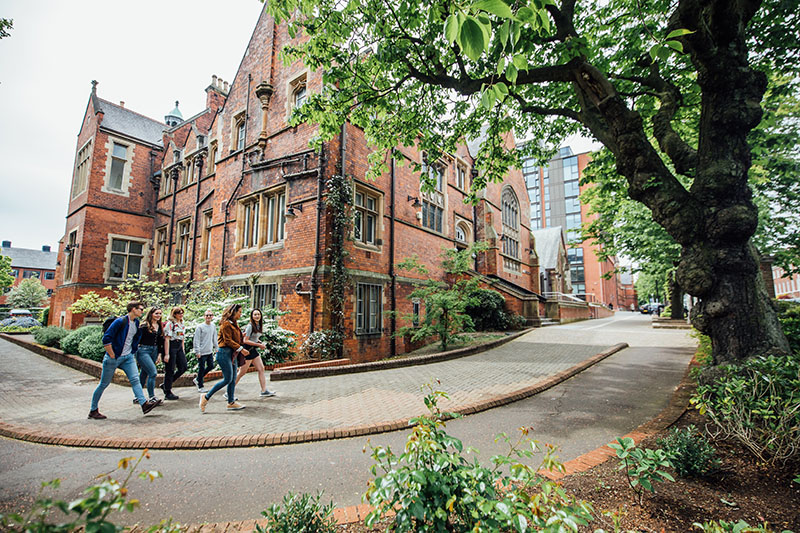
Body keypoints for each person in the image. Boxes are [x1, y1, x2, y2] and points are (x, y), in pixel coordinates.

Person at [89, 301, 160, 419]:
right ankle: (93, 410)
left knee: (135, 380)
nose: (142, 312)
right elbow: (106, 338)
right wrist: (112, 354)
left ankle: (144, 404)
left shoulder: (136, 322)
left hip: (128, 357)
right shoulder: (120, 322)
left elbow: (135, 338)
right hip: (114, 358)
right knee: (103, 384)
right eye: (141, 309)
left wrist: (132, 351)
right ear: (133, 309)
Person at [200, 303, 247, 412]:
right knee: (228, 379)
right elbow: (228, 340)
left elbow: (233, 338)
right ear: (234, 312)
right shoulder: (226, 324)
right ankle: (206, 397)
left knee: (233, 379)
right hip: (224, 353)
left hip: (232, 353)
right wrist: (241, 349)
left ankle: (231, 402)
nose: (241, 314)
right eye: (239, 312)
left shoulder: (233, 324)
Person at [232, 308, 276, 399]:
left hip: (253, 350)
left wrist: (258, 342)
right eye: (255, 314)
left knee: (261, 369)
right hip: (247, 351)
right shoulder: (250, 326)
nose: (257, 316)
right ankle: (229, 392)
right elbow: (245, 340)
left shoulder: (258, 325)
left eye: (258, 314)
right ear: (252, 316)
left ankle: (264, 391)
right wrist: (258, 345)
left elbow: (253, 338)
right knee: (241, 372)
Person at [132, 307, 165, 404]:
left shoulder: (159, 326)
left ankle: (138, 396)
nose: (158, 315)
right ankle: (152, 397)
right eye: (156, 313)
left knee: (144, 372)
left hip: (154, 350)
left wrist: (159, 354)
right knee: (153, 372)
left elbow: (160, 341)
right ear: (151, 314)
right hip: (143, 350)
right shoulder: (144, 326)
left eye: (160, 313)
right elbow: (136, 339)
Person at [162, 306, 187, 400]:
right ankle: (167, 391)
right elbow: (167, 339)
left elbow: (182, 337)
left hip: (179, 346)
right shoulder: (170, 324)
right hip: (172, 346)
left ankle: (166, 384)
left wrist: (183, 350)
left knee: (183, 367)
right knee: (170, 369)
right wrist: (167, 353)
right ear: (174, 314)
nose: (181, 314)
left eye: (182, 312)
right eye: (178, 313)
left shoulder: (182, 324)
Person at [192, 309, 218, 393]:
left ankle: (198, 379)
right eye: (207, 315)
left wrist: (216, 348)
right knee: (201, 368)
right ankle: (200, 386)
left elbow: (214, 337)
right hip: (202, 351)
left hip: (209, 351)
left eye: (210, 315)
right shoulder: (200, 327)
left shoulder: (213, 326)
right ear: (204, 316)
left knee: (211, 366)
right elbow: (196, 340)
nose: (208, 317)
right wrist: (197, 351)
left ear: (212, 316)